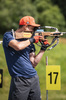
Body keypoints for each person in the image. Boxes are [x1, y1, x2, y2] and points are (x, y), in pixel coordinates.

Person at [3, 16, 48, 100]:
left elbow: (33, 63)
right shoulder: (9, 35)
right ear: (25, 26)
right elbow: (18, 46)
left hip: (33, 78)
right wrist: (32, 40)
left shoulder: (29, 42)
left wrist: (43, 49)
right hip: (20, 79)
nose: (33, 30)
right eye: (32, 28)